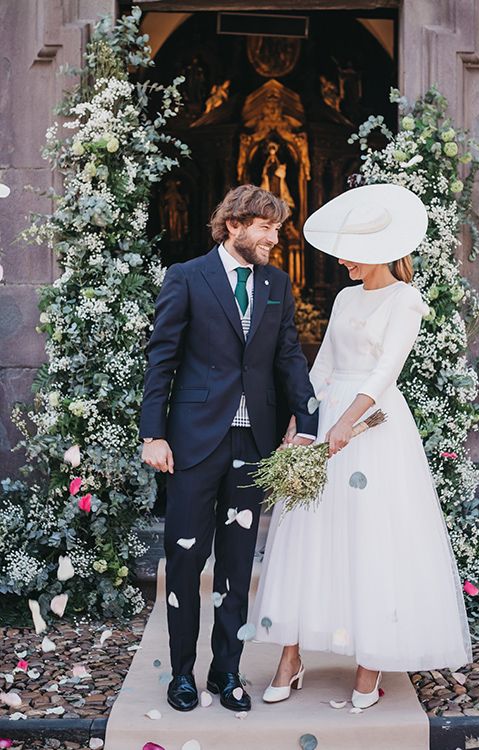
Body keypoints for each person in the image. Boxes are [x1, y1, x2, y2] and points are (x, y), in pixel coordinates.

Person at [251, 183, 473, 709]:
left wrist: (348, 423)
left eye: (353, 250)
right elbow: (323, 364)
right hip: (329, 414)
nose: (344, 259)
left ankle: (370, 662)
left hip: (373, 425)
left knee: (373, 538)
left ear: (380, 252)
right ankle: (291, 655)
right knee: (309, 532)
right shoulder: (346, 296)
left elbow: (383, 371)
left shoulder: (406, 299)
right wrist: (301, 423)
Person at [139, 184, 318, 713]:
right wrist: (154, 434)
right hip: (193, 443)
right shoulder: (187, 277)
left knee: (238, 565)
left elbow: (288, 355)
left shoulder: (276, 283)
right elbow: (162, 359)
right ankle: (181, 675)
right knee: (186, 562)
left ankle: (227, 671)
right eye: (266, 227)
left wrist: (306, 421)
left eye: (278, 229)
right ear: (234, 224)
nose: (274, 238)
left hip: (253, 441)